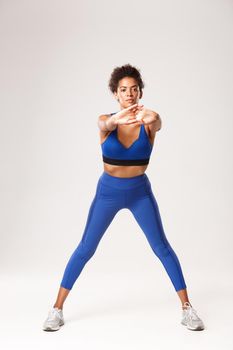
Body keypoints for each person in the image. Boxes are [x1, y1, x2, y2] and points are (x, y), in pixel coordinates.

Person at [43, 64, 205, 332]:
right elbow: (103, 123)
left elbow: (158, 122)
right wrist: (114, 121)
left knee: (161, 247)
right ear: (115, 94)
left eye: (133, 89)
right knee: (86, 248)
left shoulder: (148, 121)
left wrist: (156, 117)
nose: (129, 94)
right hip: (108, 192)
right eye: (123, 90)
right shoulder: (107, 121)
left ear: (139, 92)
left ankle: (187, 308)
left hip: (140, 191)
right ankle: (56, 309)